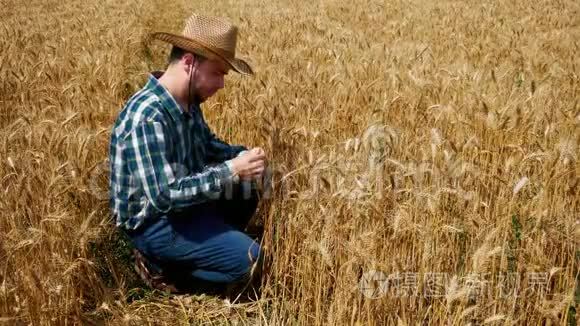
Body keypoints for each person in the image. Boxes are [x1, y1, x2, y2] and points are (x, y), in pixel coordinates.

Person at [108, 13, 266, 295]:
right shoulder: (147, 118)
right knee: (252, 260)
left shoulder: (188, 102)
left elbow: (208, 147)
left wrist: (245, 157)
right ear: (190, 62)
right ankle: (162, 267)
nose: (222, 84)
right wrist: (232, 169)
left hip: (185, 207)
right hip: (154, 223)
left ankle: (205, 244)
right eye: (218, 72)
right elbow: (165, 197)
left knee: (245, 189)